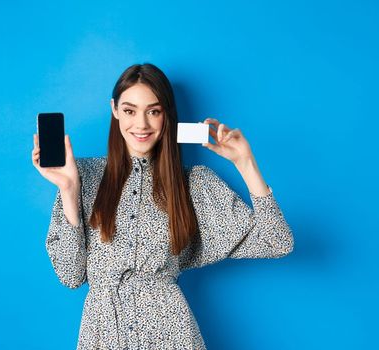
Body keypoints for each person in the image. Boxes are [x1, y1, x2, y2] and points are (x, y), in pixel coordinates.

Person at [31, 63, 293, 350]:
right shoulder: (82, 177)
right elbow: (70, 276)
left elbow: (277, 241)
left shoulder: (193, 184)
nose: (141, 124)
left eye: (153, 111)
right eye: (130, 110)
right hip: (102, 336)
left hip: (172, 335)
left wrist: (246, 164)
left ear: (166, 115)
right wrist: (69, 189)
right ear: (114, 109)